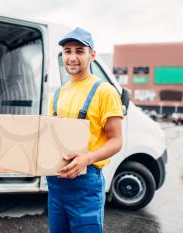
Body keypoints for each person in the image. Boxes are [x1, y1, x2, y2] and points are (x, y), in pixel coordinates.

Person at [46, 27, 124, 233]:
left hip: (86, 184)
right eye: (67, 51)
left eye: (79, 51)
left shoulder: (104, 91)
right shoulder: (57, 94)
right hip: (56, 184)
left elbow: (116, 141)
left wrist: (87, 158)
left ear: (92, 55)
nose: (72, 57)